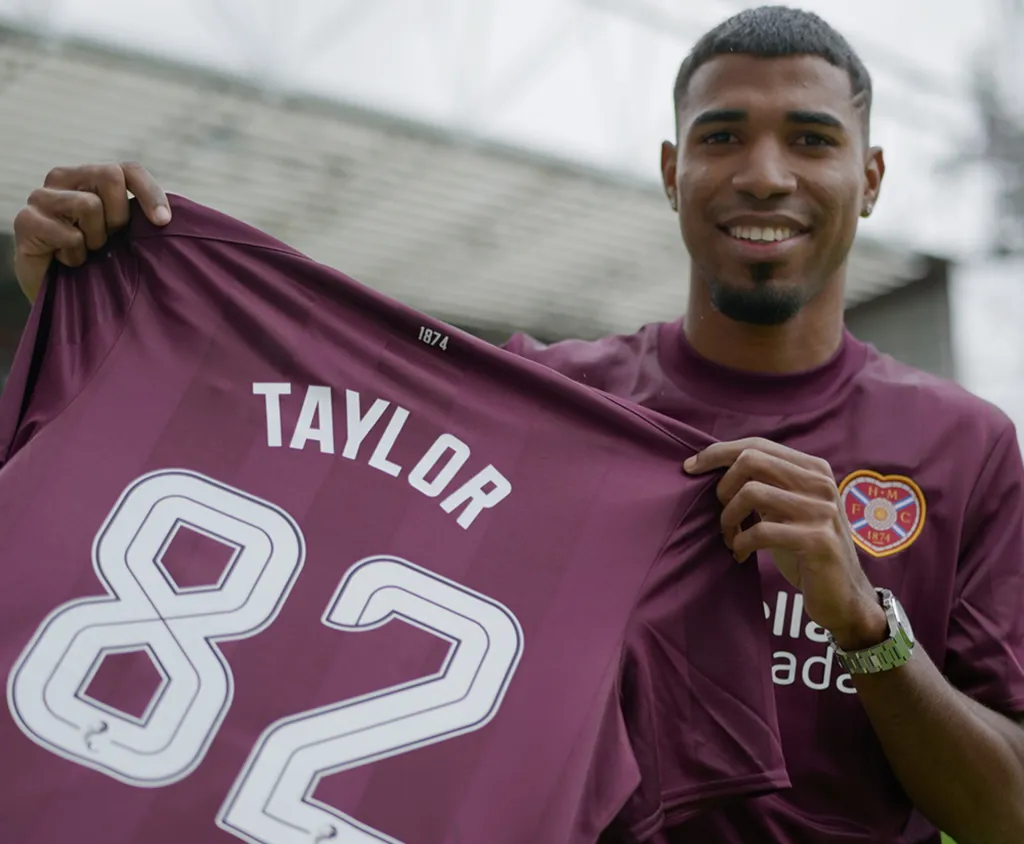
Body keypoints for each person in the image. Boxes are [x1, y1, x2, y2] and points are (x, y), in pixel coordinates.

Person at [8, 6, 1024, 843]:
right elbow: (270, 475)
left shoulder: (961, 448)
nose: (763, 173)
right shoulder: (540, 405)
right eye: (722, 137)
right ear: (673, 171)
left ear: (871, 177)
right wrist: (113, 323)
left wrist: (862, 622)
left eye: (810, 139)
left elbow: (1005, 808)